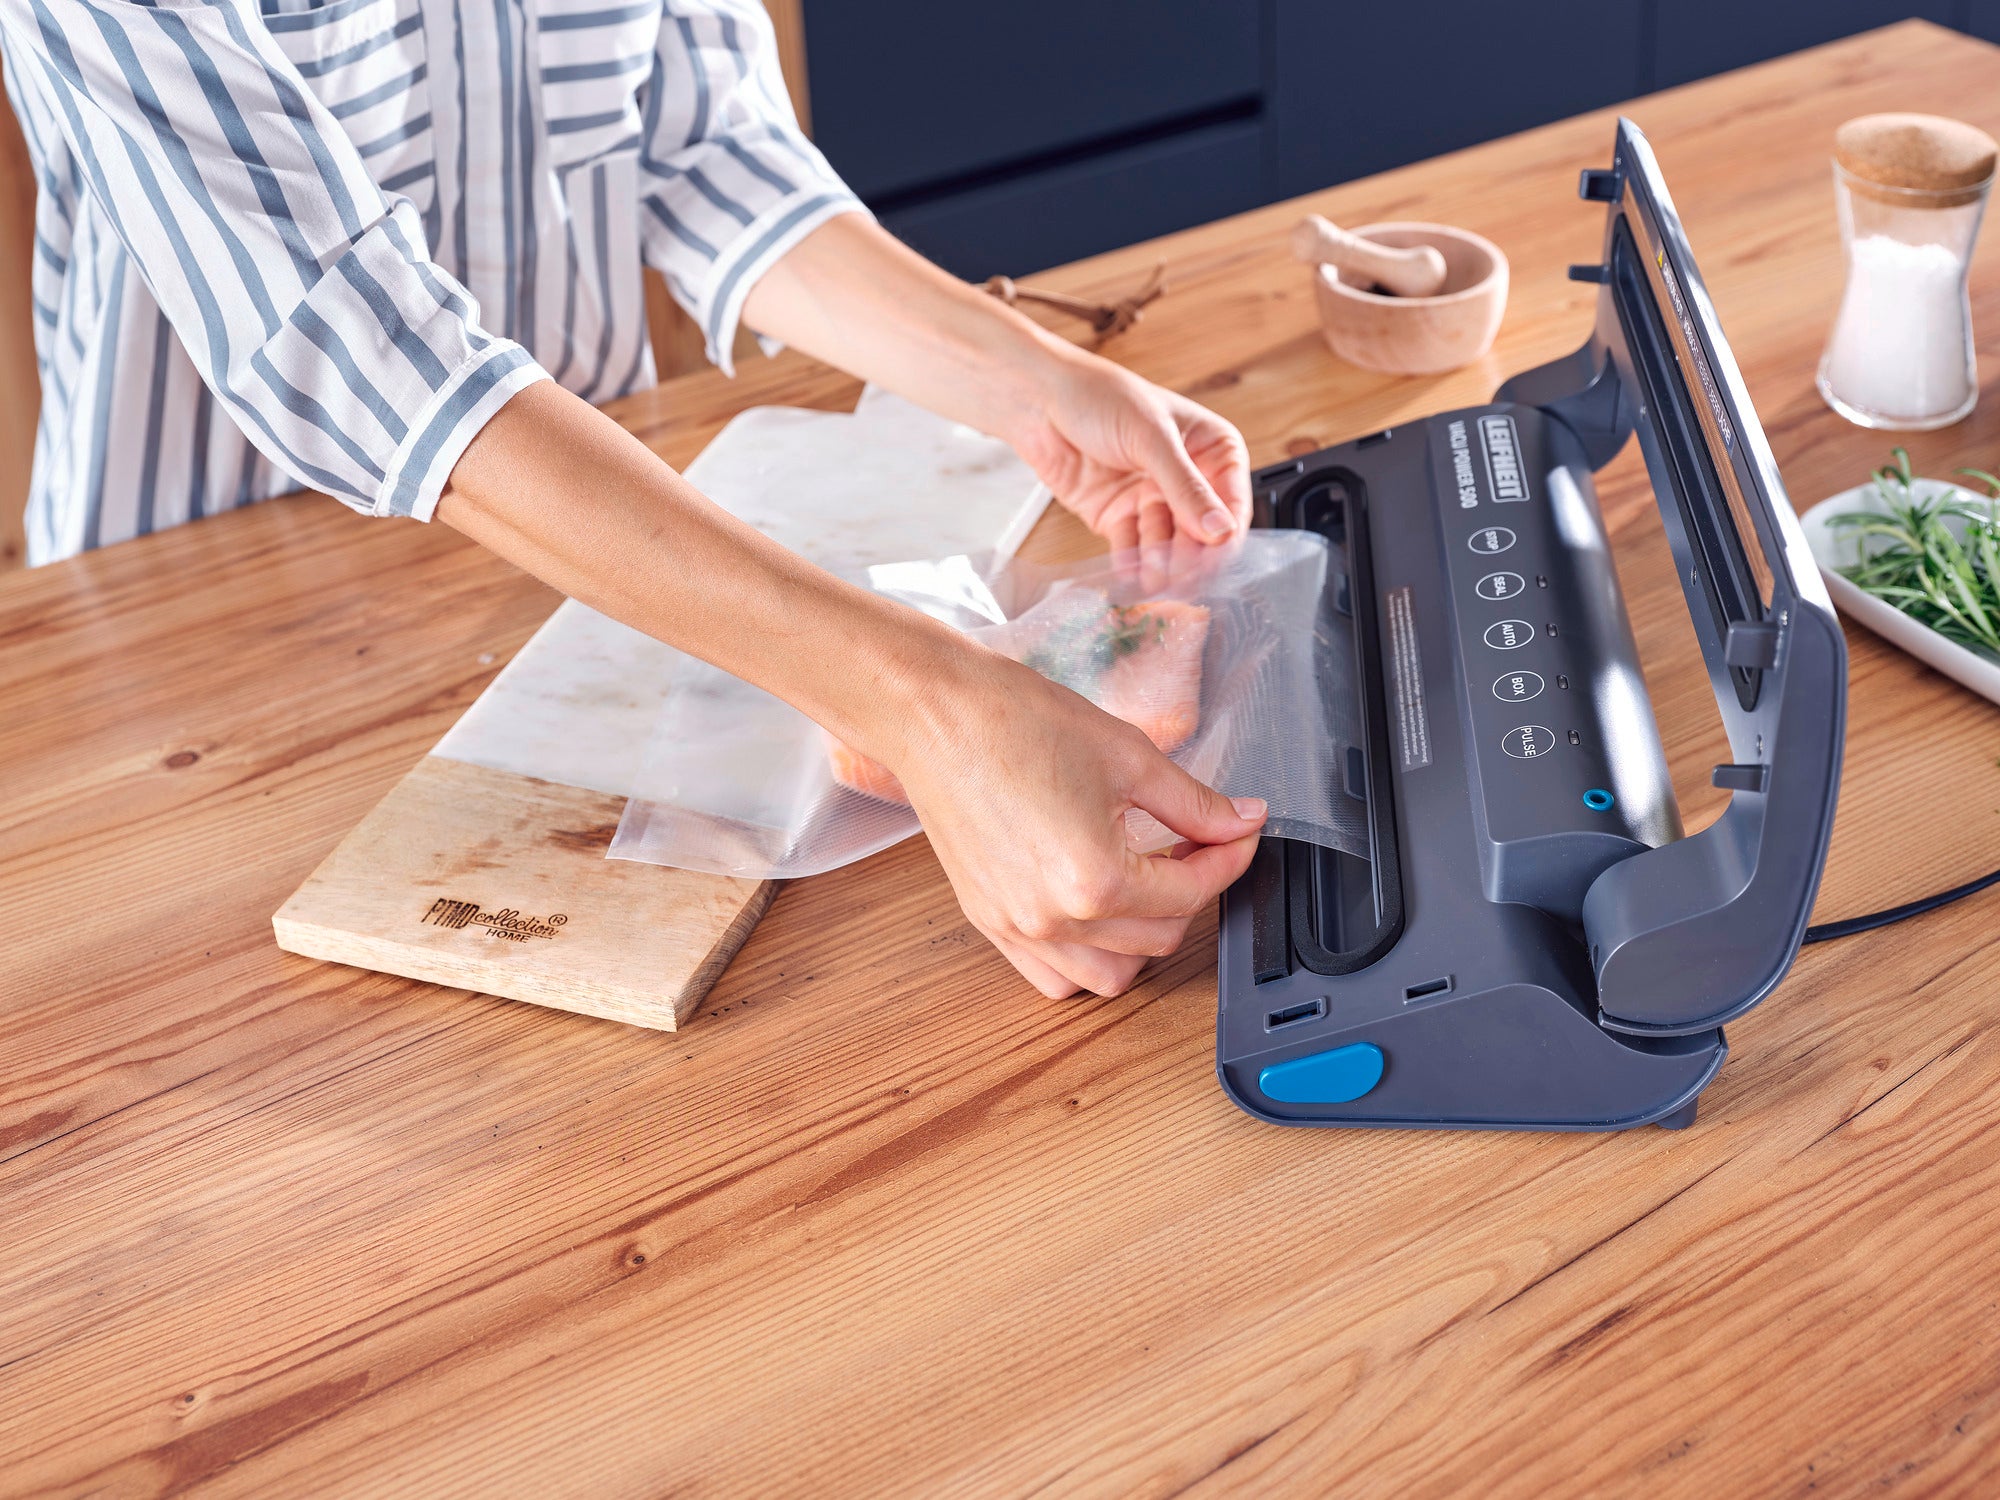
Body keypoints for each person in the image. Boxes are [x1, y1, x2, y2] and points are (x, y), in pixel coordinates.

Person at [0, 0, 1268, 997]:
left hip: (620, 543)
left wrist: (1030, 383)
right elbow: (341, 327)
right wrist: (927, 702)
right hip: (193, 636)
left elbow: (705, 148)